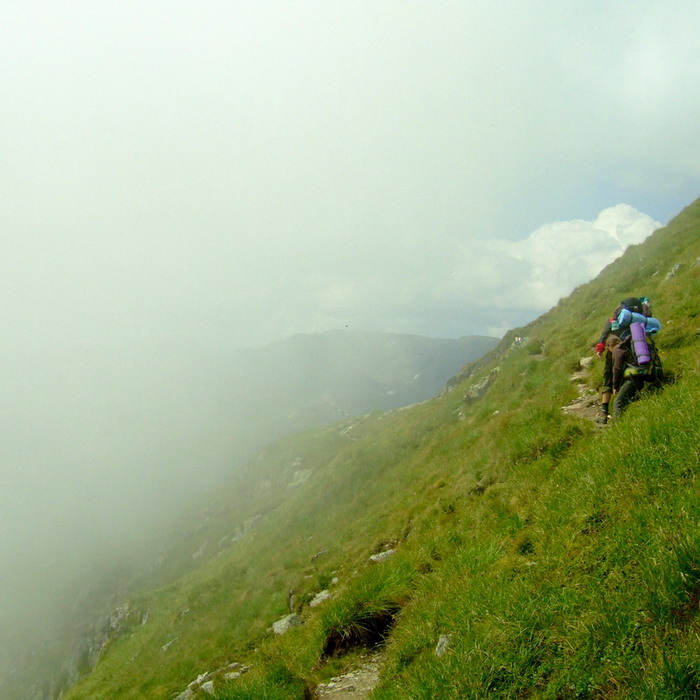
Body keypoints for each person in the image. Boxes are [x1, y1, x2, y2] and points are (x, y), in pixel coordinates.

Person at [594, 297, 646, 424]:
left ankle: (604, 410)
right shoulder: (639, 317)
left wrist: (600, 347)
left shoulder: (617, 315)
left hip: (614, 350)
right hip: (632, 349)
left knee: (608, 377)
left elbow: (606, 331)